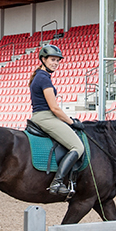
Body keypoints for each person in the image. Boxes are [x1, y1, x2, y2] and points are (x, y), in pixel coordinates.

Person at [30, 44, 84, 195]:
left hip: (44, 115)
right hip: (45, 116)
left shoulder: (41, 76)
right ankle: (57, 182)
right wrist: (72, 122)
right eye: (52, 60)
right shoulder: (43, 79)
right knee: (78, 147)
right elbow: (54, 108)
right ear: (43, 59)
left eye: (57, 61)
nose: (55, 63)